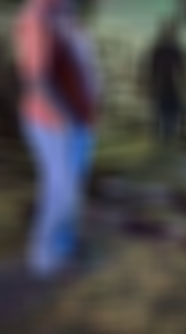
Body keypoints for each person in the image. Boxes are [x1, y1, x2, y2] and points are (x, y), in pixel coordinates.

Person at [14, 0, 100, 278]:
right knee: (61, 188)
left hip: (80, 121)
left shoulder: (62, 13)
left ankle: (64, 246)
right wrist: (63, 117)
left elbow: (80, 64)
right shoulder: (38, 18)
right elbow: (37, 79)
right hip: (52, 122)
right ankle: (44, 254)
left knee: (72, 186)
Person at [144, 19, 186, 149]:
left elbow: (183, 68)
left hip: (171, 84)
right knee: (164, 110)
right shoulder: (161, 49)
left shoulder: (174, 49)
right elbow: (152, 67)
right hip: (165, 84)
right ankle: (164, 137)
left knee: (170, 110)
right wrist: (150, 82)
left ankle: (167, 136)